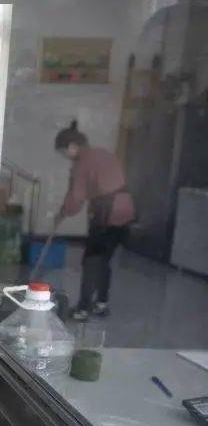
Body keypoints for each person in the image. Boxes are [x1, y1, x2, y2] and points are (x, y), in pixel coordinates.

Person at [53, 120, 135, 321]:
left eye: (64, 152)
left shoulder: (82, 163)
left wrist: (63, 212)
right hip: (126, 210)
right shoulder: (103, 153)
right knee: (104, 260)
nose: (65, 157)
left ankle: (82, 309)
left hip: (105, 214)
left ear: (73, 147)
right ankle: (101, 304)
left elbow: (76, 198)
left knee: (91, 261)